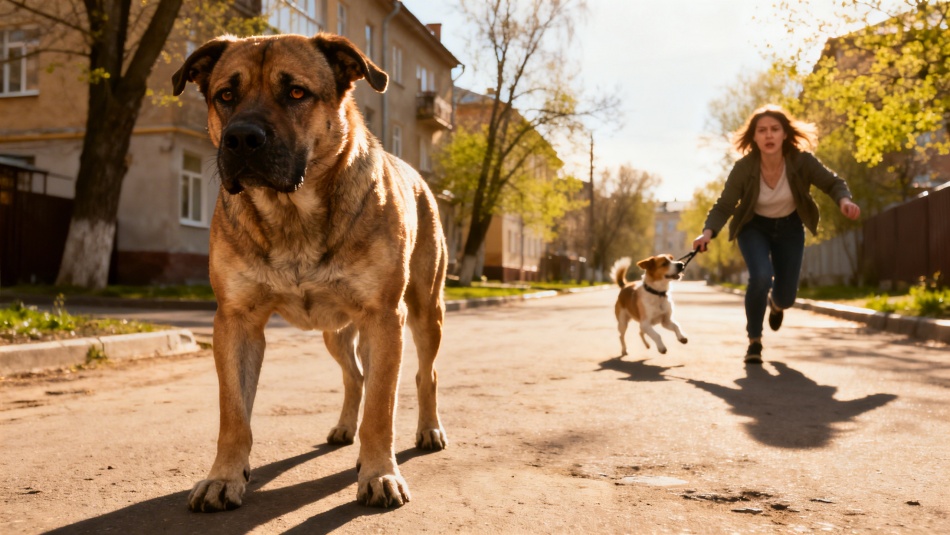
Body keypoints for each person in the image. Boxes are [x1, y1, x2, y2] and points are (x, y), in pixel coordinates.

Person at [692, 104, 861, 364]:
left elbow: (832, 183)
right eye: (762, 131)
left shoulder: (802, 161)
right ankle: (754, 342)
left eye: (774, 129)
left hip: (790, 228)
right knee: (760, 277)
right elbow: (725, 205)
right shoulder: (744, 168)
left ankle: (777, 305)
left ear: (784, 134)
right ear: (754, 137)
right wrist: (707, 233)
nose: (768, 135)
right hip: (753, 227)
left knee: (787, 296)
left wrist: (844, 201)